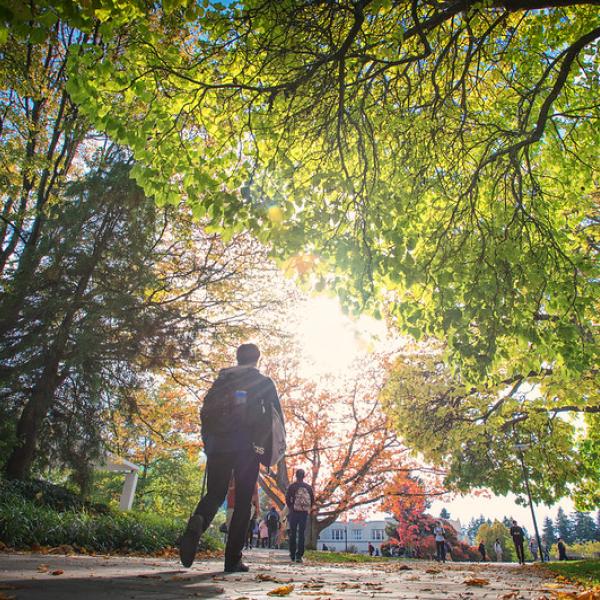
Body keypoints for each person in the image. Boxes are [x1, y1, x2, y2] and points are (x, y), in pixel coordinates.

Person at [179, 343, 283, 573]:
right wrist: (268, 449)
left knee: (215, 493)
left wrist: (210, 444)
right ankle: (233, 559)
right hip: (248, 447)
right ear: (257, 359)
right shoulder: (263, 382)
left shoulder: (222, 381)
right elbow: (276, 418)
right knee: (244, 501)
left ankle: (199, 520)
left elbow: (205, 413)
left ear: (237, 358)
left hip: (219, 445)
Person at [285, 468, 315, 564]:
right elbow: (312, 500)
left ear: (296, 476)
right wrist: (307, 508)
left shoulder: (292, 486)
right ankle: (299, 555)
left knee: (292, 533)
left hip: (294, 512)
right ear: (304, 476)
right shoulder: (308, 487)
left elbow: (287, 498)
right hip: (304, 513)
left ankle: (292, 554)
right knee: (301, 534)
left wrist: (291, 507)